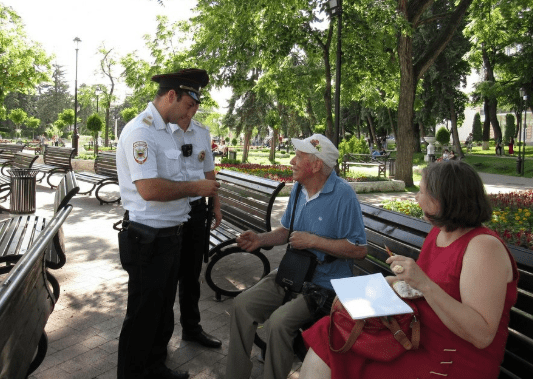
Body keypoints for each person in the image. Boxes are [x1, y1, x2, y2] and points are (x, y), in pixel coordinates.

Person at [300, 160, 518, 379]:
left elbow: (481, 334)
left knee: (342, 350)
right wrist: (387, 283)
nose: (416, 197)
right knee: (329, 332)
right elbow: (423, 287)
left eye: (421, 191)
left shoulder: (483, 247)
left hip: (452, 359)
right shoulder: (441, 232)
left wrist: (423, 282)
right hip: (418, 338)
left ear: (442, 200)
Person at [225, 134, 368, 379]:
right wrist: (260, 239)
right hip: (293, 274)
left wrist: (314, 241)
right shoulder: (300, 189)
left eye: (299, 156)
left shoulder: (343, 195)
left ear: (316, 165)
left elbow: (359, 249)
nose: (291, 161)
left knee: (278, 323)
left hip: (325, 286)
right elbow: (285, 232)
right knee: (241, 305)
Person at [116, 68, 220, 379]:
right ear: (171, 96)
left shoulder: (163, 130)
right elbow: (148, 189)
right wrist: (194, 188)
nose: (192, 112)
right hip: (149, 237)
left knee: (160, 313)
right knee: (143, 315)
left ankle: (154, 367)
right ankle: (134, 373)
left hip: (170, 235)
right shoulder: (142, 132)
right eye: (189, 104)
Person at [172, 71, 224, 350]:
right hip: (169, 210)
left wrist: (216, 205)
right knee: (168, 274)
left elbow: (209, 171)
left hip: (195, 211)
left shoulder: (201, 132)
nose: (191, 112)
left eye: (195, 108)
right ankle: (160, 333)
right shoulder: (162, 130)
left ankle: (192, 328)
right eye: (188, 106)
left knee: (191, 274)